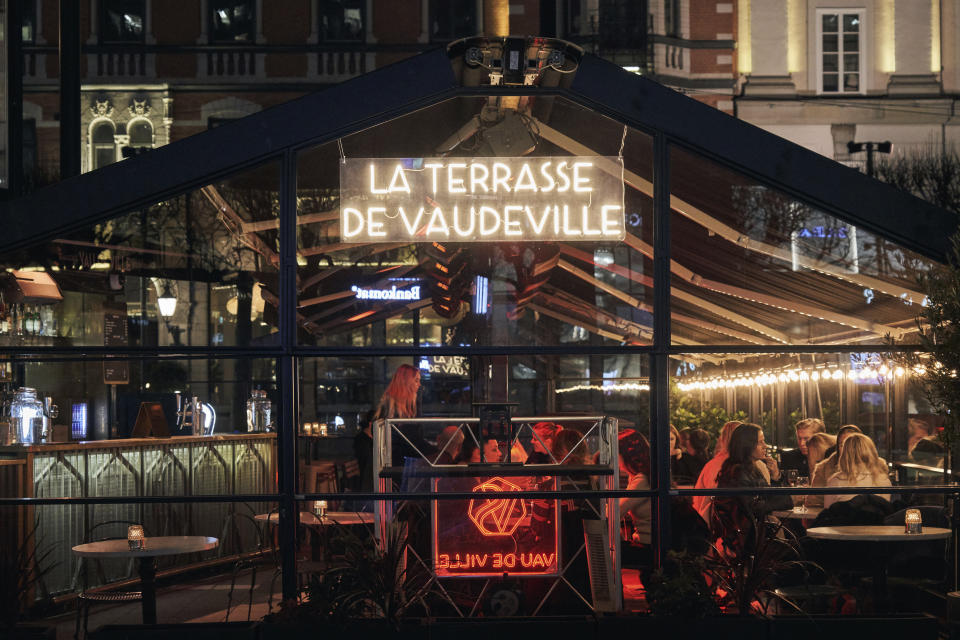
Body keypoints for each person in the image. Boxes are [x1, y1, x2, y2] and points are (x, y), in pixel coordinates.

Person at [373, 364, 431, 465]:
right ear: (406, 382)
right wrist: (437, 451)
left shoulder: (389, 405)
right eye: (416, 380)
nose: (419, 384)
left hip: (391, 462)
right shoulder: (400, 408)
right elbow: (413, 440)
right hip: (397, 465)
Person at [824, 433, 891, 508]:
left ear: (845, 454)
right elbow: (885, 512)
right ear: (872, 452)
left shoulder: (835, 481)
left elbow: (828, 512)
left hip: (844, 519)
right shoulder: (884, 481)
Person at [693, 420, 742, 518]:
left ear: (723, 439)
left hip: (711, 521)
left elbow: (699, 500)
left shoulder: (713, 465)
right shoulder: (752, 464)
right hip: (730, 521)